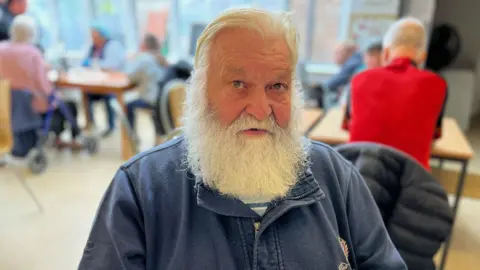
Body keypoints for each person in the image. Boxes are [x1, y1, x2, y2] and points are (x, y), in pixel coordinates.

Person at [78, 8, 406, 270]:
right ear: (202, 93)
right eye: (238, 84)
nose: (261, 109)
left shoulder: (337, 177)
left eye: (277, 86)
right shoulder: (140, 189)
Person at [342, 17, 448, 169]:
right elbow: (433, 138)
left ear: (385, 53)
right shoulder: (438, 85)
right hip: (410, 180)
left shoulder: (358, 80)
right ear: (423, 57)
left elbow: (349, 128)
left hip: (358, 175)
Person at [0, 14, 51, 157]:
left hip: (4, 99)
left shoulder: (1, 49)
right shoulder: (32, 53)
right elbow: (42, 82)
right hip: (28, 100)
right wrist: (51, 94)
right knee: (57, 104)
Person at [82, 22, 126, 138]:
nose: (93, 39)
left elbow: (111, 66)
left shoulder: (113, 46)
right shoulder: (92, 47)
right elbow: (85, 62)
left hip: (113, 84)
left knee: (108, 96)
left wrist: (94, 64)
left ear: (103, 36)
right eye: (92, 36)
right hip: (95, 83)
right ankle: (90, 125)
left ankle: (111, 126)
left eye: (95, 36)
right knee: (86, 95)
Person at [124, 34, 165, 137]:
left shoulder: (143, 58)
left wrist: (133, 59)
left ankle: (131, 136)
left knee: (128, 105)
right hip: (162, 99)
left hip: (151, 100)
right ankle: (158, 135)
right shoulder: (161, 58)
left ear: (144, 45)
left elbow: (130, 77)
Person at [339, 40, 383, 106]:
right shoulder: (359, 74)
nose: (368, 60)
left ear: (383, 56)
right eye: (366, 56)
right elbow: (345, 100)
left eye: (372, 56)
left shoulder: (386, 76)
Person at [320, 40, 363, 108]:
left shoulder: (353, 63)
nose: (335, 57)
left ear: (348, 52)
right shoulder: (356, 60)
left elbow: (331, 83)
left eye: (338, 53)